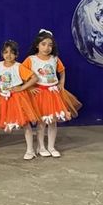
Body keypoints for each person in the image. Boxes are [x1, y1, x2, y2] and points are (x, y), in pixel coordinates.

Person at [23, 29, 82, 158]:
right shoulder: (31, 59)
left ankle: (51, 146)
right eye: (43, 44)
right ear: (37, 45)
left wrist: (61, 83)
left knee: (53, 122)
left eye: (50, 45)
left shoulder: (54, 59)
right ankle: (41, 146)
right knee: (42, 122)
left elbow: (62, 71)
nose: (47, 48)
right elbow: (22, 74)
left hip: (53, 94)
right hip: (39, 94)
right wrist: (29, 87)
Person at [0, 40, 39, 160]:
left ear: (16, 55)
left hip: (17, 99)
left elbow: (34, 78)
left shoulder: (19, 67)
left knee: (25, 123)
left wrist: (22, 88)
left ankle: (30, 150)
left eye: (12, 52)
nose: (9, 55)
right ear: (2, 53)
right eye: (6, 52)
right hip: (2, 98)